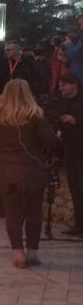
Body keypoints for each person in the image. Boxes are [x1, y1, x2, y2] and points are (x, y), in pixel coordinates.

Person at [0, 79, 58, 268]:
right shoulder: (35, 116)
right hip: (32, 171)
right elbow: (51, 141)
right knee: (34, 212)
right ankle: (33, 253)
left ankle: (18, 254)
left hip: (6, 172)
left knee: (13, 214)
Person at [54, 73, 83, 236]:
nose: (60, 88)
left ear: (74, 84)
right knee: (75, 189)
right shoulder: (61, 102)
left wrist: (76, 121)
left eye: (63, 85)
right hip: (69, 150)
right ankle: (79, 224)